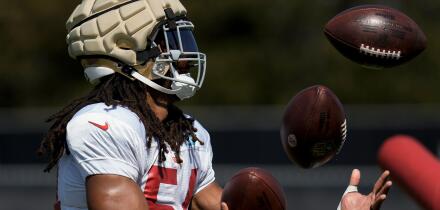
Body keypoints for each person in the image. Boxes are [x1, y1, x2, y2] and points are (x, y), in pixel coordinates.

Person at [38, 0, 391, 210]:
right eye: (169, 41)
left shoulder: (190, 136)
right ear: (123, 48)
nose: (184, 53)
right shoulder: (104, 123)